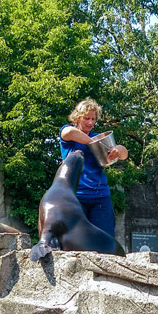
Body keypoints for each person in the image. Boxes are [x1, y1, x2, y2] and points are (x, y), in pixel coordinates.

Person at [59, 98, 128, 237]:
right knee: (74, 240)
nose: (90, 122)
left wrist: (117, 150)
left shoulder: (99, 137)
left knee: (105, 239)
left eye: (93, 119)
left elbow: (124, 153)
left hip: (100, 197)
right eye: (86, 118)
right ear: (77, 117)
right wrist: (93, 143)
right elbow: (68, 132)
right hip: (75, 196)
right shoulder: (70, 137)